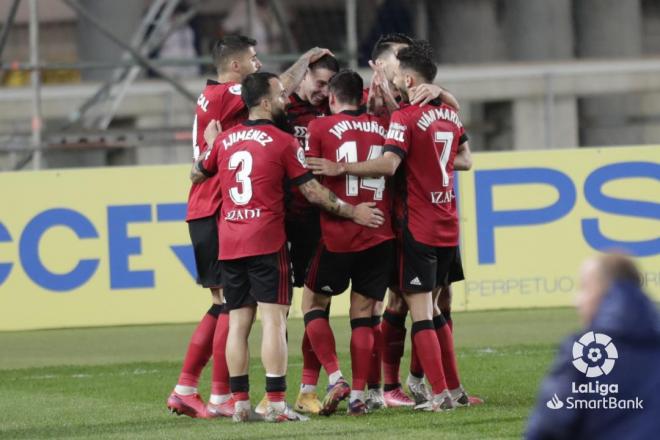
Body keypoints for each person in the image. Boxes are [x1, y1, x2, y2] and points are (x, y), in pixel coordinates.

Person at [191, 72, 385, 422]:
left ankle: (240, 405)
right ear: (264, 102)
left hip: (230, 242)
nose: (285, 100)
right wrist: (350, 211)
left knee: (238, 323)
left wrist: (210, 143)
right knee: (273, 321)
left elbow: (197, 173)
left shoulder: (227, 140)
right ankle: (278, 404)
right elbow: (312, 192)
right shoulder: (282, 141)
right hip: (266, 240)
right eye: (280, 95)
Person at [167, 35, 333, 419]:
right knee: (233, 308)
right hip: (217, 207)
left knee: (228, 307)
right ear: (237, 68)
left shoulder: (211, 98)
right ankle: (202, 390)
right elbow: (277, 90)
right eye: (254, 60)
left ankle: (211, 393)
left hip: (215, 209)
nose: (259, 65)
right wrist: (305, 57)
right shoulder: (231, 93)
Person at [308, 42, 472, 412]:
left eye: (399, 69)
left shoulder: (399, 117)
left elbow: (388, 165)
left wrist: (340, 168)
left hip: (410, 224)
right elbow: (466, 159)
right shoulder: (446, 112)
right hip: (442, 221)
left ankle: (432, 391)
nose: (394, 74)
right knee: (430, 305)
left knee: (418, 309)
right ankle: (427, 387)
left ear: (409, 77)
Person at [303, 70, 394, 416]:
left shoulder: (319, 127)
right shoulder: (385, 126)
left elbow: (310, 186)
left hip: (339, 233)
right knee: (364, 315)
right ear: (362, 96)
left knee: (312, 302)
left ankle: (335, 375)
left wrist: (349, 210)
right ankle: (359, 397)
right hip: (380, 231)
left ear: (332, 97)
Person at [526, 254, 660, 440]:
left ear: (604, 291)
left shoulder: (584, 351)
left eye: (584, 288)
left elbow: (548, 427)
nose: (577, 300)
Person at [285, 54, 341, 415]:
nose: (323, 92)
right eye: (318, 83)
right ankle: (273, 390)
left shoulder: (334, 109)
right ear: (303, 76)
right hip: (283, 221)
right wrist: (302, 59)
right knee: (275, 310)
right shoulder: (281, 106)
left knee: (317, 305)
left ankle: (307, 391)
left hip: (320, 220)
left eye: (328, 86)